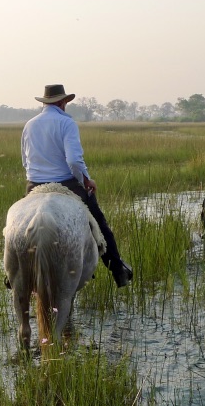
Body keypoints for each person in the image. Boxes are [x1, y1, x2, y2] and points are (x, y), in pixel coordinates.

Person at [21, 84, 133, 287]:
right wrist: (86, 181)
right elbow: (73, 160)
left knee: (19, 225)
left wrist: (36, 179)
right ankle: (118, 270)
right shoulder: (66, 123)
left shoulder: (29, 124)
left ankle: (14, 273)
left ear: (46, 102)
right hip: (67, 184)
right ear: (63, 102)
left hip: (34, 185)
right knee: (99, 223)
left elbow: (25, 161)